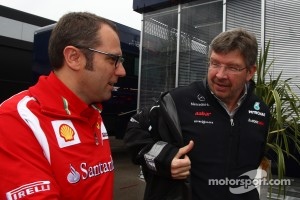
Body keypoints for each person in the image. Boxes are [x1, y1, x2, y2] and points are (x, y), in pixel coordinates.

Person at [124, 28, 270, 200]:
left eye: (232, 67)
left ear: (250, 72)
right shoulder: (177, 101)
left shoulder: (260, 111)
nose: (220, 75)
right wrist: (164, 158)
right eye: (215, 63)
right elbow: (134, 130)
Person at [0, 12, 126, 199]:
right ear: (74, 57)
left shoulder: (93, 112)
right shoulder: (16, 120)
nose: (121, 71)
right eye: (112, 60)